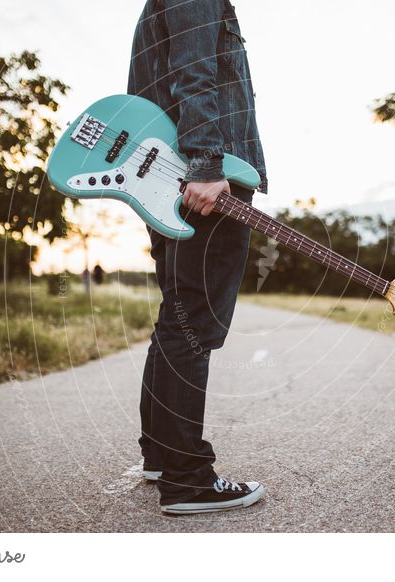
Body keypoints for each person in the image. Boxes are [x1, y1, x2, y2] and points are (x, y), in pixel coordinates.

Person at [127, 0, 268, 514]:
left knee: (178, 316)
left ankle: (164, 457)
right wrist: (207, 163)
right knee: (192, 323)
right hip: (198, 177)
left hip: (170, 176)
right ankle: (188, 478)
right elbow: (194, 73)